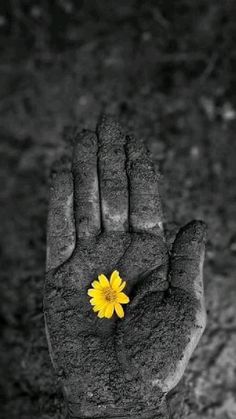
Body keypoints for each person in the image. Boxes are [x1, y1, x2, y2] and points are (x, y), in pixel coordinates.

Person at [44, 115, 207, 419]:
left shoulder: (113, 296)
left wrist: (115, 405)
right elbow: (101, 295)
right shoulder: (107, 297)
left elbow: (106, 295)